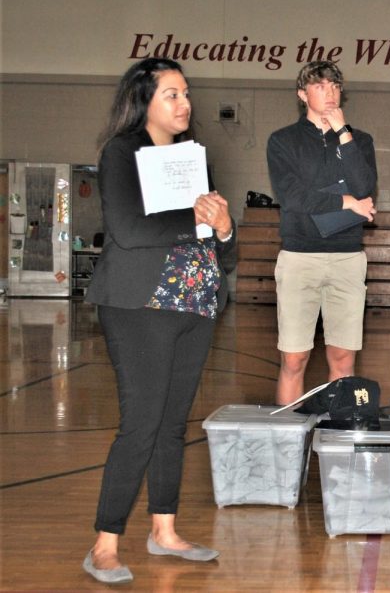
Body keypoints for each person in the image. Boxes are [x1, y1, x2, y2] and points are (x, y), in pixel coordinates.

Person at [83, 57, 236, 584]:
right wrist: (196, 218)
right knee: (141, 426)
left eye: (186, 94)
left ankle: (164, 531)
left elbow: (216, 237)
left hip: (193, 303)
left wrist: (224, 227)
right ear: (143, 99)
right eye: (172, 94)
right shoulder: (121, 154)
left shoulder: (196, 159)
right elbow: (127, 229)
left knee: (174, 426)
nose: (185, 103)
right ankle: (104, 543)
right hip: (138, 305)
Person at [267, 61, 378, 405]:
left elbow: (366, 187)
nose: (329, 93)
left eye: (334, 86)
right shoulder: (283, 140)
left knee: (344, 360)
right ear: (303, 94)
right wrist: (345, 201)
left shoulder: (360, 140)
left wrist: (343, 133)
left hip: (347, 257)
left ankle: (339, 445)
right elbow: (293, 197)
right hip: (300, 256)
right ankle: (287, 445)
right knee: (294, 358)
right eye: (319, 86)